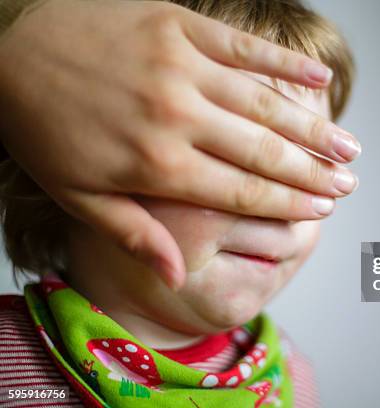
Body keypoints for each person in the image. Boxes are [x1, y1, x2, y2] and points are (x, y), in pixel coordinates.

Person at [0, 0, 355, 407]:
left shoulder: (295, 380)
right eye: (236, 157)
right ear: (78, 158)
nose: (286, 207)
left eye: (311, 169)